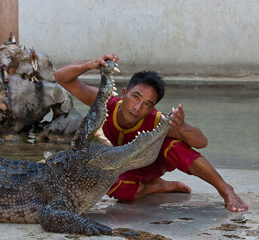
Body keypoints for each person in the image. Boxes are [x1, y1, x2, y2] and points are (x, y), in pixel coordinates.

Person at [54, 53, 248, 212]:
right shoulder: (105, 103)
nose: (138, 107)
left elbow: (201, 142)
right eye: (135, 97)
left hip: (147, 163)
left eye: (147, 104)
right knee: (112, 185)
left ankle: (226, 189)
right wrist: (89, 64)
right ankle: (159, 186)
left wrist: (182, 127)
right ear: (123, 94)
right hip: (118, 169)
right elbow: (61, 77)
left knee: (173, 145)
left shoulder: (157, 120)